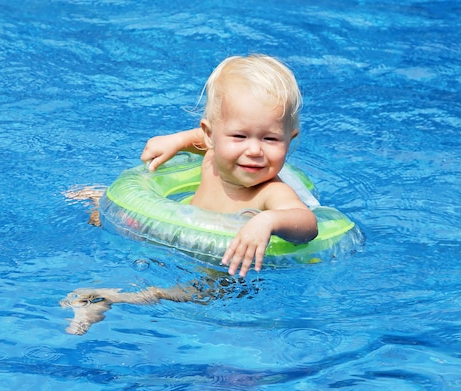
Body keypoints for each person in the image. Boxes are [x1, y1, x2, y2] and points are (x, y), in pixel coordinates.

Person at [62, 54, 318, 334]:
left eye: (270, 139)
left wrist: (268, 221)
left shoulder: (270, 192)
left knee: (204, 295)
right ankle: (102, 199)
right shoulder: (211, 158)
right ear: (210, 135)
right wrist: (179, 141)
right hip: (173, 240)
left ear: (289, 140)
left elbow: (306, 224)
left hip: (218, 270)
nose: (254, 150)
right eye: (240, 137)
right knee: (111, 217)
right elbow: (208, 140)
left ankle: (107, 298)